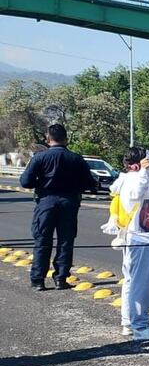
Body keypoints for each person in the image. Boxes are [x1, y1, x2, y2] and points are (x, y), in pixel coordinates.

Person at [20, 124, 94, 290]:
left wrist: (41, 182)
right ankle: (61, 278)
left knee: (42, 241)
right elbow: (91, 184)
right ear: (66, 139)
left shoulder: (40, 158)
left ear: (47, 139)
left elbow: (25, 182)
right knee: (65, 241)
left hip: (46, 202)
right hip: (69, 203)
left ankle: (38, 280)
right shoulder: (77, 159)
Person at [106, 147, 149, 340]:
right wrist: (143, 172)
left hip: (142, 237)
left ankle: (129, 322)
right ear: (138, 163)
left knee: (132, 282)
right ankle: (140, 327)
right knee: (143, 284)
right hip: (143, 238)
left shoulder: (129, 178)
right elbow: (136, 193)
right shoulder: (135, 179)